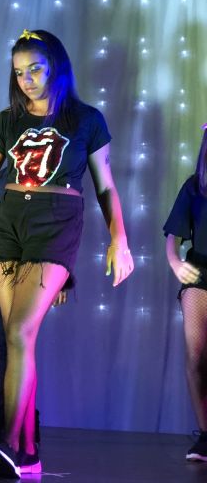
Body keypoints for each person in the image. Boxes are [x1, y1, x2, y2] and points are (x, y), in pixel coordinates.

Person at [0, 29, 134, 477]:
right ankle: (25, 452)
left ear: (56, 67)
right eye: (19, 72)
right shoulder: (8, 121)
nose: (26, 80)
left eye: (35, 69)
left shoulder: (86, 120)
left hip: (56, 224)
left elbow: (105, 186)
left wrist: (119, 239)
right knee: (14, 338)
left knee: (21, 332)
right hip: (9, 225)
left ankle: (16, 445)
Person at [0, 167, 68, 444]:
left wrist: (60, 277)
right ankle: (15, 421)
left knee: (18, 344)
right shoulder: (2, 176)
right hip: (3, 271)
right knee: (8, 346)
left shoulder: (51, 171)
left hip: (35, 271)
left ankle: (10, 422)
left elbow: (60, 229)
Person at [163, 123, 207, 462]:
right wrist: (175, 262)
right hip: (200, 272)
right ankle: (206, 434)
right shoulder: (195, 187)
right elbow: (173, 236)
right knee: (196, 355)